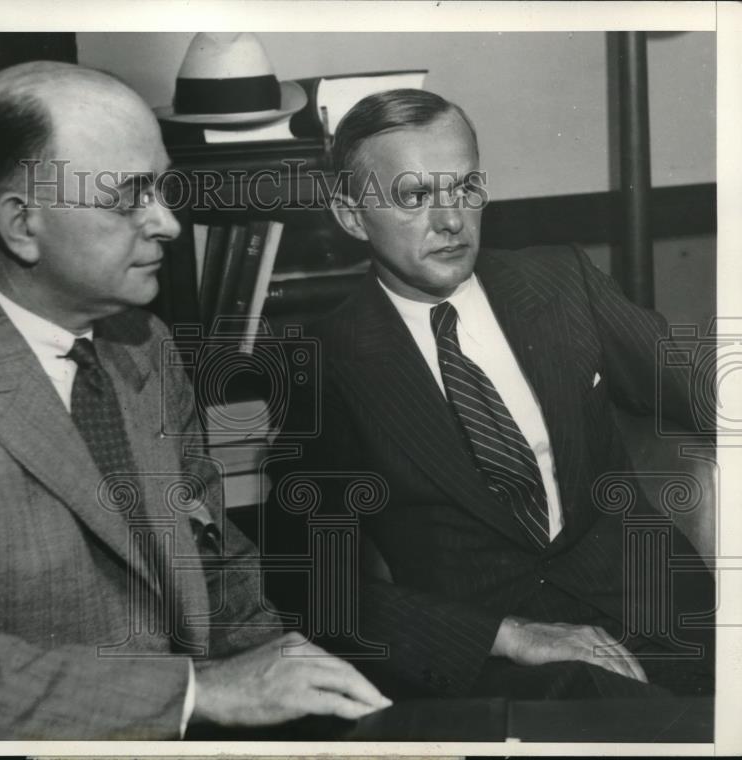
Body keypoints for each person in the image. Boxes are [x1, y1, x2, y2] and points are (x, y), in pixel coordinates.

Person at [0, 62, 390, 740]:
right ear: (21, 225)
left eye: (164, 187)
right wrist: (198, 691)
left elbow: (214, 560)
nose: (168, 223)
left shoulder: (142, 343)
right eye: (130, 197)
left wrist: (307, 695)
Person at [268, 88, 714, 701]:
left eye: (465, 189)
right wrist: (508, 635)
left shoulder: (561, 282)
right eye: (414, 197)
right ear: (350, 216)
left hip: (672, 618)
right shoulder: (323, 364)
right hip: (510, 670)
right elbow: (311, 584)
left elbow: (700, 387)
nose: (450, 221)